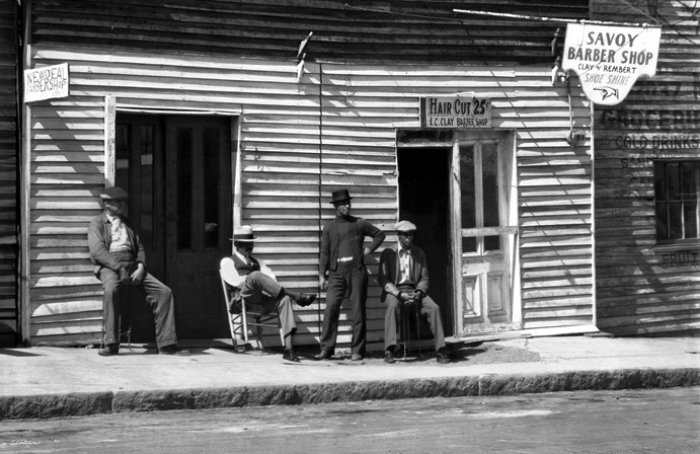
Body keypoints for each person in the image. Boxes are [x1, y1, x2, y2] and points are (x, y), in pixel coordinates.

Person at [87, 186, 187, 356]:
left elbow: (139, 246)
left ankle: (167, 344)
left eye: (123, 202)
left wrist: (140, 266)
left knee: (164, 293)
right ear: (107, 204)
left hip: (132, 265)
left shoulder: (127, 222)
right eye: (119, 202)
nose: (123, 205)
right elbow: (97, 251)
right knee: (111, 290)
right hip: (110, 266)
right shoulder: (96, 223)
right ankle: (111, 343)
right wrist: (119, 268)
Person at [226, 225, 316, 362]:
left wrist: (262, 281)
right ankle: (297, 296)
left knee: (284, 299)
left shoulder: (258, 262)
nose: (251, 248)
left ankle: (288, 349)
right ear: (238, 245)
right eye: (247, 245)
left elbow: (272, 279)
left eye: (252, 244)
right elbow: (235, 282)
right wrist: (255, 279)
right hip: (241, 301)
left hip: (260, 302)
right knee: (255, 275)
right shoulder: (228, 261)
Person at [316, 189, 386, 361]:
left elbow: (379, 235)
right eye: (343, 204)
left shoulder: (359, 224)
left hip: (356, 272)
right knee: (331, 308)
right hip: (336, 274)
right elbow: (324, 252)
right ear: (336, 206)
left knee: (358, 312)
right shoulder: (329, 227)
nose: (347, 206)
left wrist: (367, 250)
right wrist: (321, 275)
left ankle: (357, 351)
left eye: (348, 203)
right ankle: (326, 349)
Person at [378, 220, 450, 364]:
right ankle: (390, 350)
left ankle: (441, 350)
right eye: (405, 235)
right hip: (395, 291)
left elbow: (424, 278)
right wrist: (398, 293)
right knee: (393, 307)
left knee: (434, 308)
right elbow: (383, 279)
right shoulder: (388, 253)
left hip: (414, 290)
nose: (409, 238)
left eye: (411, 234)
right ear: (398, 235)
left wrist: (419, 292)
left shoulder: (419, 253)